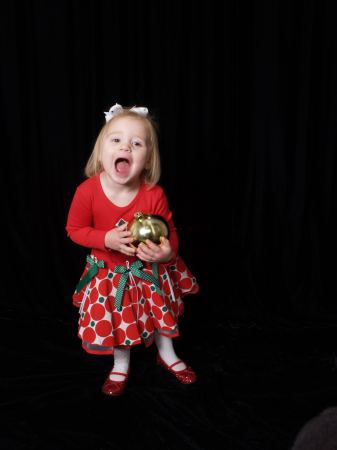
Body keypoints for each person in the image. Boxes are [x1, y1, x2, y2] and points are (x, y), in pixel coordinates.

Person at [66, 103, 199, 396]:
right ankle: (121, 363)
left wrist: (167, 254)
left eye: (136, 143)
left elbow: (170, 233)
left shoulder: (154, 194)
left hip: (149, 270)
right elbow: (74, 230)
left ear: (147, 159)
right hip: (110, 276)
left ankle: (167, 352)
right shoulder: (86, 191)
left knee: (161, 310)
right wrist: (105, 240)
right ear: (101, 152)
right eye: (116, 140)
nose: (125, 145)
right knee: (120, 319)